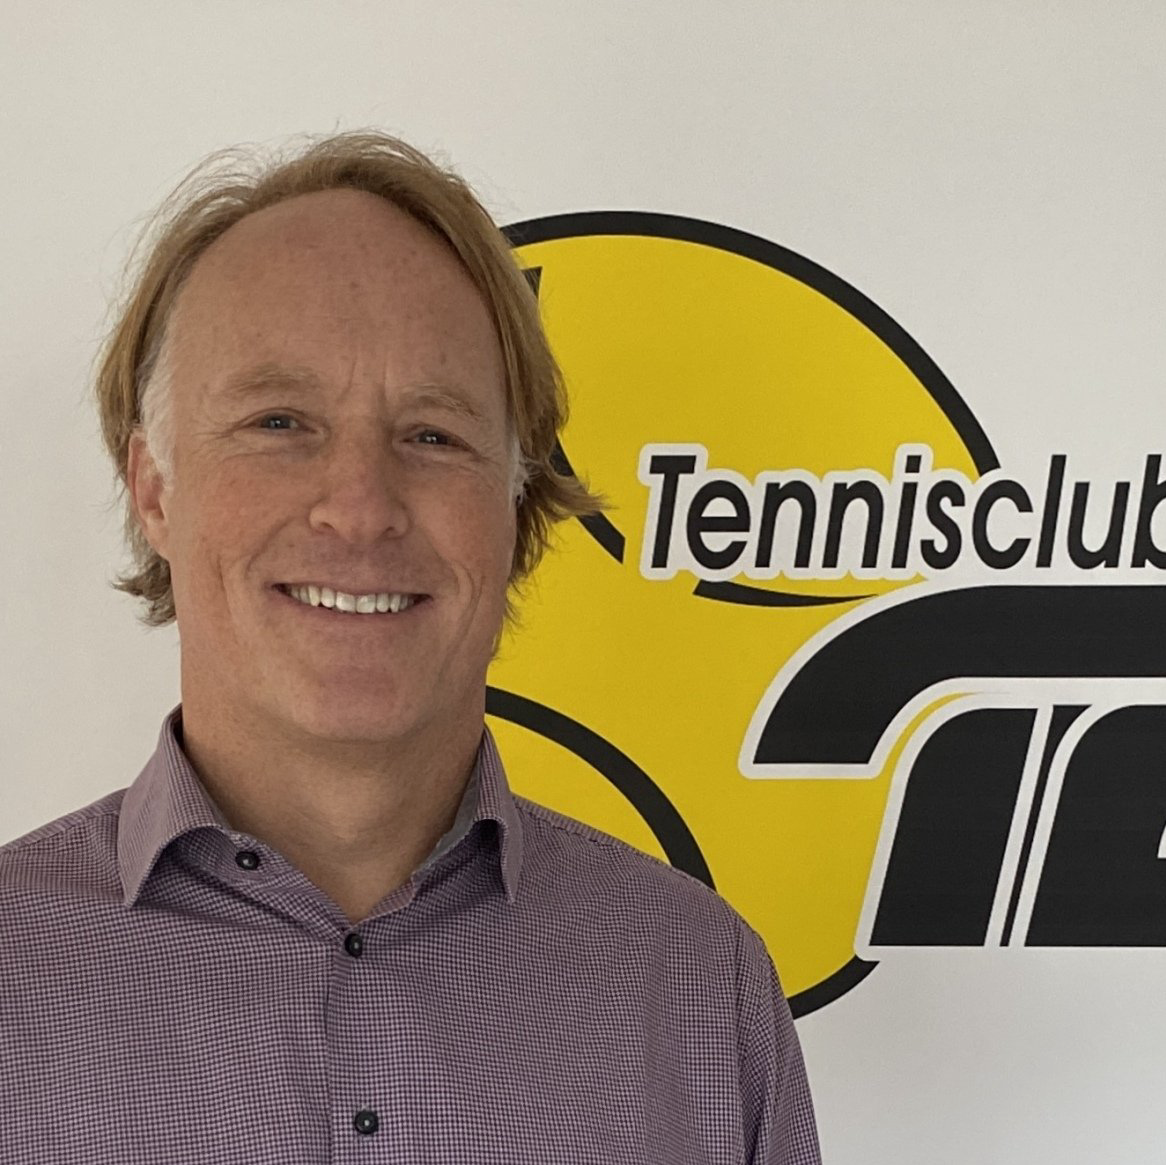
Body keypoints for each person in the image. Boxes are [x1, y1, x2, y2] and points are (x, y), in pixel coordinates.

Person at [0, 131, 821, 1163]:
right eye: (279, 422)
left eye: (433, 435)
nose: (360, 506)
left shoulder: (698, 989)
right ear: (154, 489)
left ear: (515, 506)